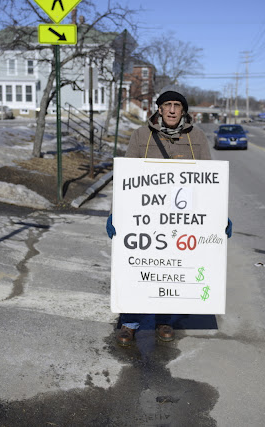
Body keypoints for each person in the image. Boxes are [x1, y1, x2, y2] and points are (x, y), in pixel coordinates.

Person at [106, 89, 233, 346]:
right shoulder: (141, 135)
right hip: (146, 215)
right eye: (168, 105)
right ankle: (130, 322)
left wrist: (220, 216)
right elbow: (126, 177)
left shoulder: (196, 137)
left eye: (177, 105)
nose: (172, 110)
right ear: (160, 109)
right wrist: (115, 213)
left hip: (182, 216)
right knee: (141, 266)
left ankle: (164, 320)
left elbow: (210, 181)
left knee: (171, 267)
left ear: (183, 110)